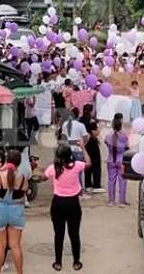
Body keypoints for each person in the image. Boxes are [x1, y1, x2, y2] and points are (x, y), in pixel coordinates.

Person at [43, 142, 92, 271]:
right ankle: (76, 261)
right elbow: (89, 163)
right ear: (70, 154)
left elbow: (42, 177)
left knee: (58, 234)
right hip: (73, 203)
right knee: (74, 234)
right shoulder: (76, 166)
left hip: (58, 203)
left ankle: (58, 262)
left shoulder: (53, 168)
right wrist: (82, 147)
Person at [0, 150, 27, 274]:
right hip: (16, 211)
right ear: (19, 163)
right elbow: (23, 197)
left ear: (6, 160)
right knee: (15, 246)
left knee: (0, 247)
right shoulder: (23, 178)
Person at [105, 118, 129, 207]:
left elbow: (106, 144)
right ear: (121, 126)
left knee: (111, 180)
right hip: (121, 160)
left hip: (111, 159)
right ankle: (121, 201)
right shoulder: (124, 136)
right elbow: (127, 146)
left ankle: (111, 201)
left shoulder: (108, 136)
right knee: (122, 180)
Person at [78, 105, 103, 193]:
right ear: (91, 111)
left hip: (85, 144)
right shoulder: (92, 121)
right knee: (96, 164)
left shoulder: (80, 120)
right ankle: (96, 185)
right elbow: (95, 133)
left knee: (87, 164)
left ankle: (88, 185)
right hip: (92, 143)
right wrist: (99, 128)